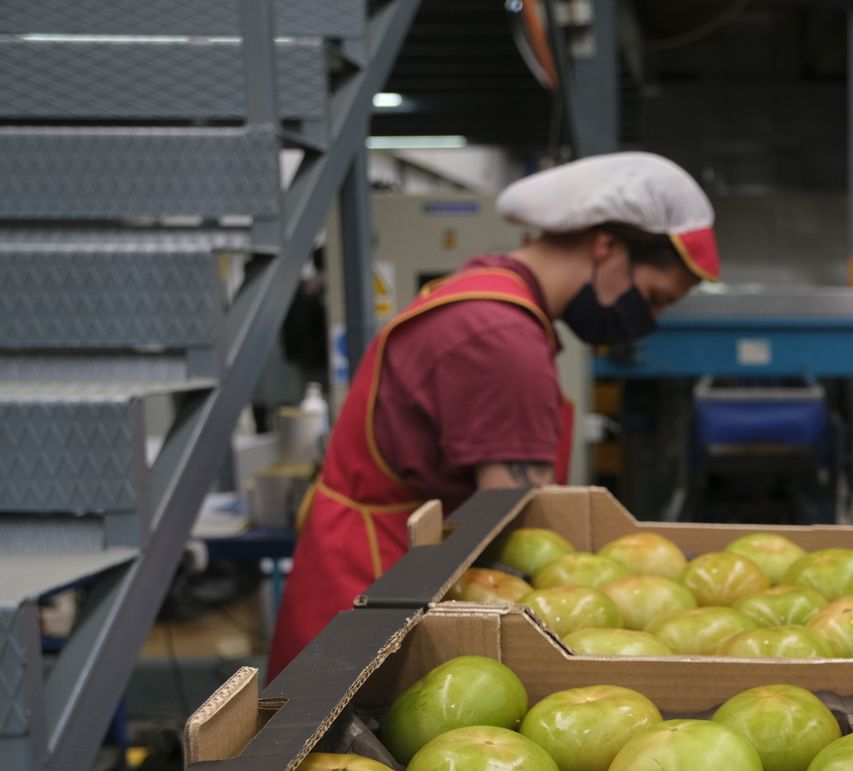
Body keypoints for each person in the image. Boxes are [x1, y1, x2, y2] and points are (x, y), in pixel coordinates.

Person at [267, 152, 720, 678]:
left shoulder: (484, 293)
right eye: (653, 298)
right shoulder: (501, 339)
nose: (650, 319)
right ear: (607, 246)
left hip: (369, 575)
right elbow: (517, 537)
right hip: (379, 601)